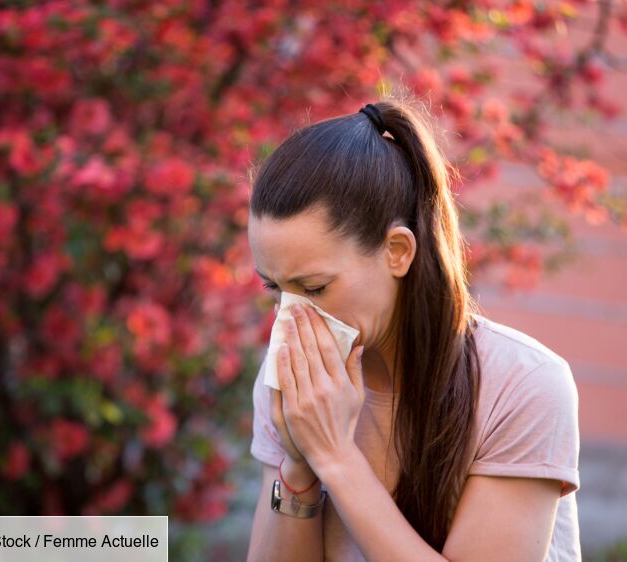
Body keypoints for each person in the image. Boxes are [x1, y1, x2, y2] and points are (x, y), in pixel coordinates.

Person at [245, 98, 581, 562]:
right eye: (275, 289)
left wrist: (336, 458)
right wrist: (298, 470)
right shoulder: (295, 380)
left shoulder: (522, 385)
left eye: (315, 287)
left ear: (397, 252)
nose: (291, 317)